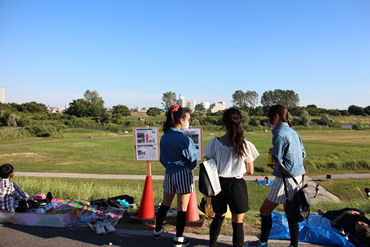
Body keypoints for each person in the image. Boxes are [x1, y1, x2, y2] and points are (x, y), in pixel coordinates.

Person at [247, 105, 306, 247]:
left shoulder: (279, 133)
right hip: (298, 177)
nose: (269, 122)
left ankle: (262, 243)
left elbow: (276, 158)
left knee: (264, 210)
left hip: (285, 179)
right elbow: (303, 154)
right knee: (290, 212)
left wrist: (273, 153)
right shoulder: (293, 132)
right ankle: (294, 244)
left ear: (277, 117)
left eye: (270, 119)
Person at [204, 108, 259, 247]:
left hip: (218, 184)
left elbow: (208, 163)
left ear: (224, 124)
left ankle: (212, 244)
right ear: (240, 124)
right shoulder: (245, 144)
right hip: (237, 185)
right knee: (238, 221)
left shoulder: (215, 142)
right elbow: (250, 171)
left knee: (218, 216)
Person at [153, 104, 198, 247]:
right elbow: (193, 162)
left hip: (169, 174)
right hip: (183, 173)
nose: (188, 122)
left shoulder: (165, 136)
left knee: (165, 204)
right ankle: (179, 238)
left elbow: (161, 159)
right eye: (188, 119)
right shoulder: (186, 140)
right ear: (181, 120)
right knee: (181, 208)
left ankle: (158, 229)